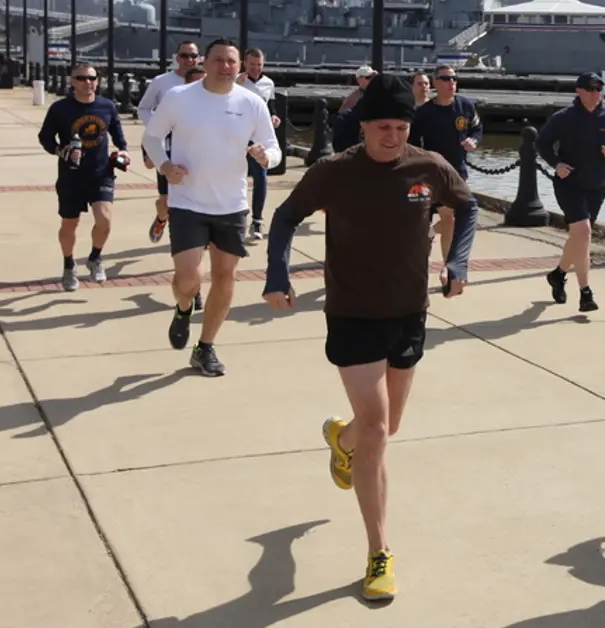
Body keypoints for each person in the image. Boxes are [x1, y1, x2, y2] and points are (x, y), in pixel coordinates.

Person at [262, 74, 476, 602]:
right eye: (383, 127)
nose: (393, 136)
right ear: (363, 126)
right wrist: (277, 274)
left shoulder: (429, 166)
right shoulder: (335, 171)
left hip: (408, 312)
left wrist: (458, 261)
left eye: (401, 127)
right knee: (378, 431)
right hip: (353, 313)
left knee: (386, 426)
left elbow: (467, 207)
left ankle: (342, 440)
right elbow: (286, 218)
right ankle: (379, 551)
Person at [142, 38, 281, 377]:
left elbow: (274, 147)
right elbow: (151, 137)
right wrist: (165, 166)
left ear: (240, 66)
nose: (225, 66)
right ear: (205, 61)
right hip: (187, 201)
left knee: (224, 277)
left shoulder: (252, 102)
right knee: (189, 278)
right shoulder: (179, 97)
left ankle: (205, 347)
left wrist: (266, 157)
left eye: (231, 61)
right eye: (218, 60)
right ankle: (184, 307)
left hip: (231, 204)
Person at [535, 71, 605, 312]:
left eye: (599, 89)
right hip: (569, 184)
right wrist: (557, 164)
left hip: (596, 187)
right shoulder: (563, 118)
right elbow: (541, 144)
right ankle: (585, 293)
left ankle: (558, 274)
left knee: (579, 237)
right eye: (591, 89)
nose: (596, 93)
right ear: (579, 91)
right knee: (584, 232)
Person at [37, 63, 129, 291]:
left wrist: (123, 151)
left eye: (92, 78)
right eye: (81, 78)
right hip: (71, 176)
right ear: (72, 81)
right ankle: (69, 264)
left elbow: (118, 135)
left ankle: (95, 257)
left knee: (104, 220)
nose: (88, 82)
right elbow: (45, 137)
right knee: (70, 223)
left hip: (101, 173)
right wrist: (60, 151)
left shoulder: (107, 106)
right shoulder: (60, 108)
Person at [408, 64, 483, 289]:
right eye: (446, 79)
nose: (452, 82)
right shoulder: (424, 113)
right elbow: (412, 143)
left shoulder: (465, 106)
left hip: (457, 171)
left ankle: (448, 268)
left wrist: (474, 140)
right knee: (435, 220)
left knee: (449, 219)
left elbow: (477, 128)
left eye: (454, 78)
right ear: (436, 83)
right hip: (431, 174)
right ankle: (421, 269)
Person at [137, 40, 202, 243]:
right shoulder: (162, 82)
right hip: (166, 147)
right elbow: (143, 108)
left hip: (195, 147)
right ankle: (161, 218)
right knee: (166, 199)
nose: (189, 60)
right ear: (177, 58)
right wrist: (158, 127)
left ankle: (195, 235)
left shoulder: (207, 82)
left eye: (193, 56)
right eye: (184, 56)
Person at [237, 48, 282, 241]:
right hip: (238, 136)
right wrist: (234, 85)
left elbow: (270, 106)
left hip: (258, 138)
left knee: (261, 178)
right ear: (244, 63)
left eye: (259, 65)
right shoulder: (237, 81)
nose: (256, 68)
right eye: (252, 64)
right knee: (235, 177)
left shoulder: (268, 83)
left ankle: (257, 219)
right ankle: (236, 217)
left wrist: (274, 117)